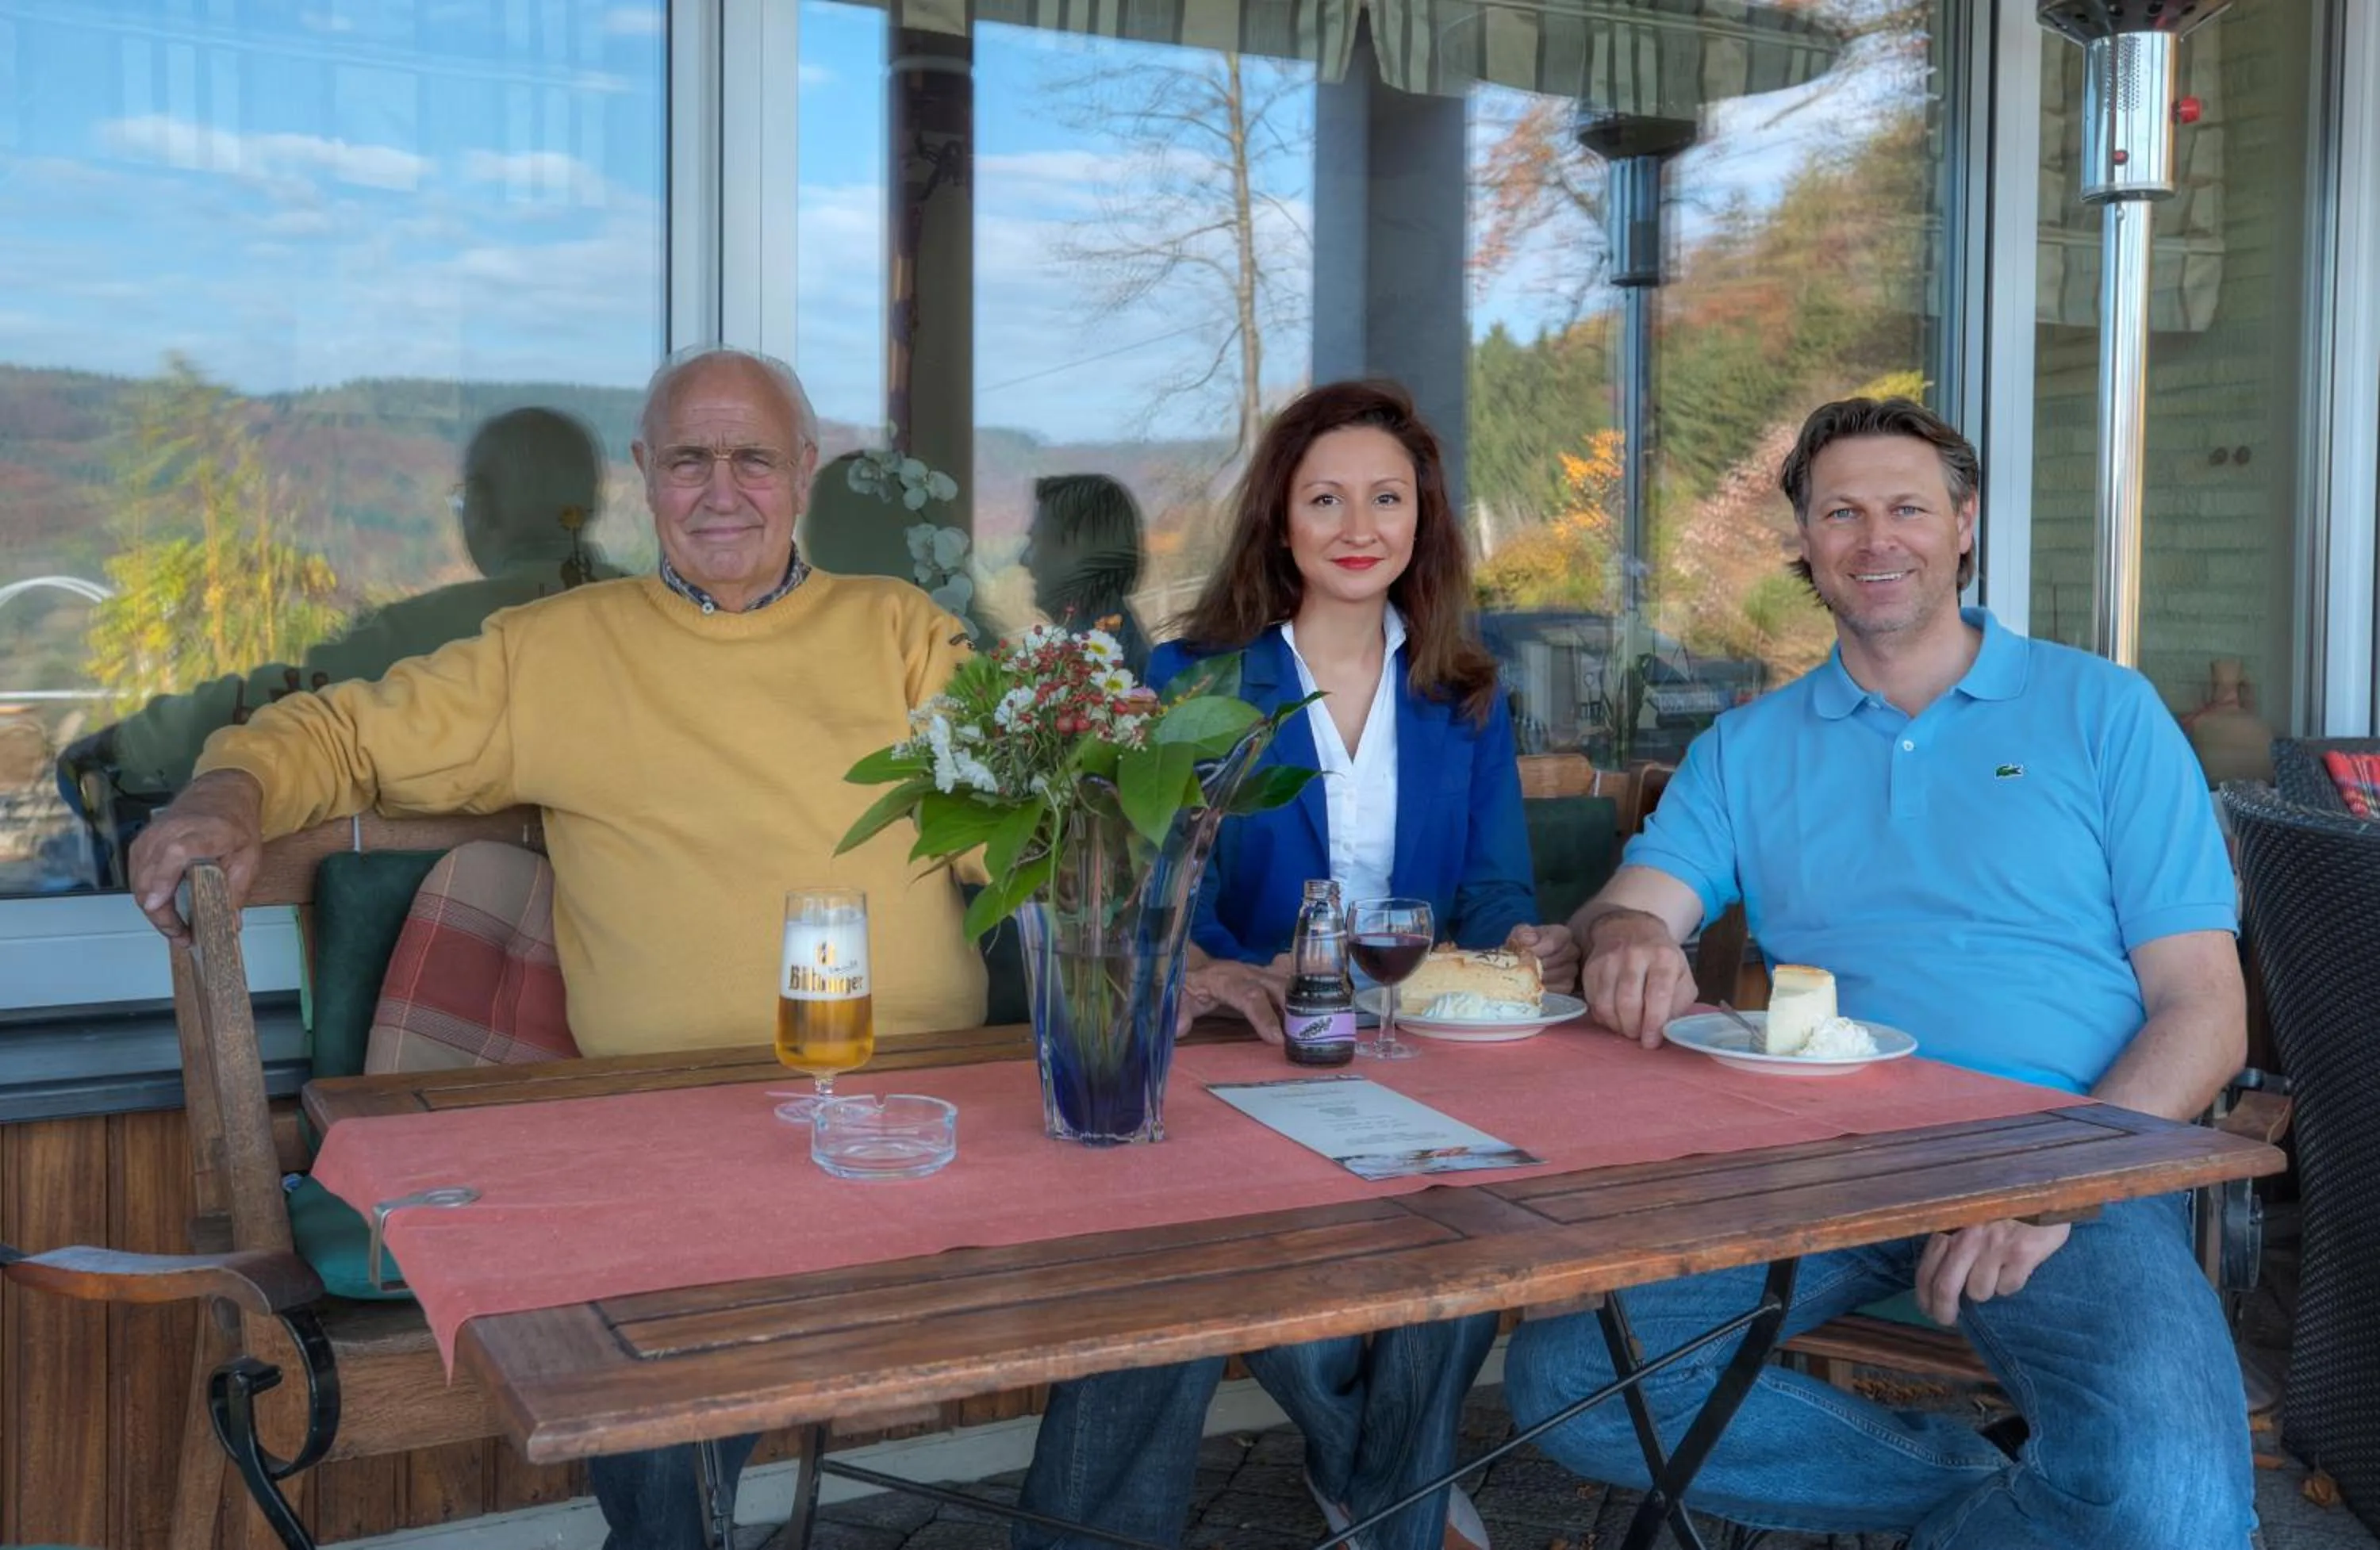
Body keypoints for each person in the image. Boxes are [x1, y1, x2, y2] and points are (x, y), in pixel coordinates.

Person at [124, 346, 989, 1550]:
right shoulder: (558, 649)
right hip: (669, 1129)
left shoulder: (899, 631)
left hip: (920, 1108)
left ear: (803, 471)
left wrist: (1161, 936)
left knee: (1165, 1266)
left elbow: (1031, 822)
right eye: (690, 458)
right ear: (644, 475)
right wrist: (227, 792)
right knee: (648, 1307)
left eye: (753, 457)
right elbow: (340, 733)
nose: (722, 488)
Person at [1504, 397, 2251, 1548]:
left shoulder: (2105, 712)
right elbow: (1634, 904)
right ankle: (1986, 1503)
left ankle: (2043, 1510)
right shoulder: (1749, 746)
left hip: (2067, 1154)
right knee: (1571, 1385)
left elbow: (2205, 1013)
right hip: (1821, 1164)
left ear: (1965, 523)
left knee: (2172, 1511)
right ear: (1804, 542)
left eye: (1907, 505)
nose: (1875, 537)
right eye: (1840, 511)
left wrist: (2054, 1183)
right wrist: (1628, 937)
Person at [1017, 381, 1580, 1550]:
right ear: (1281, 518)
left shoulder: (1467, 693)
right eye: (1326, 497)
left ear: (1422, 518)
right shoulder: (1197, 681)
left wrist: (1521, 941)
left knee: (1460, 1254)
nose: (1358, 524)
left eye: (1387, 497)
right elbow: (1162, 898)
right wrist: (1228, 974)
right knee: (1303, 1306)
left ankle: (1385, 1496)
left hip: (1425, 1047)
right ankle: (1387, 1488)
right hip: (1252, 1049)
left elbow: (1492, 892)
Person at [61, 406, 623, 873]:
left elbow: (283, 704)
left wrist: (120, 750)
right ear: (592, 502)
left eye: (462, 500)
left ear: (484, 502)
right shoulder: (651, 619)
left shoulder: (429, 632)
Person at [1024, 473, 1151, 676]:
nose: (1025, 560)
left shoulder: (1098, 667)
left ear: (1077, 550)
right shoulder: (1099, 642)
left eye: (1038, 542)